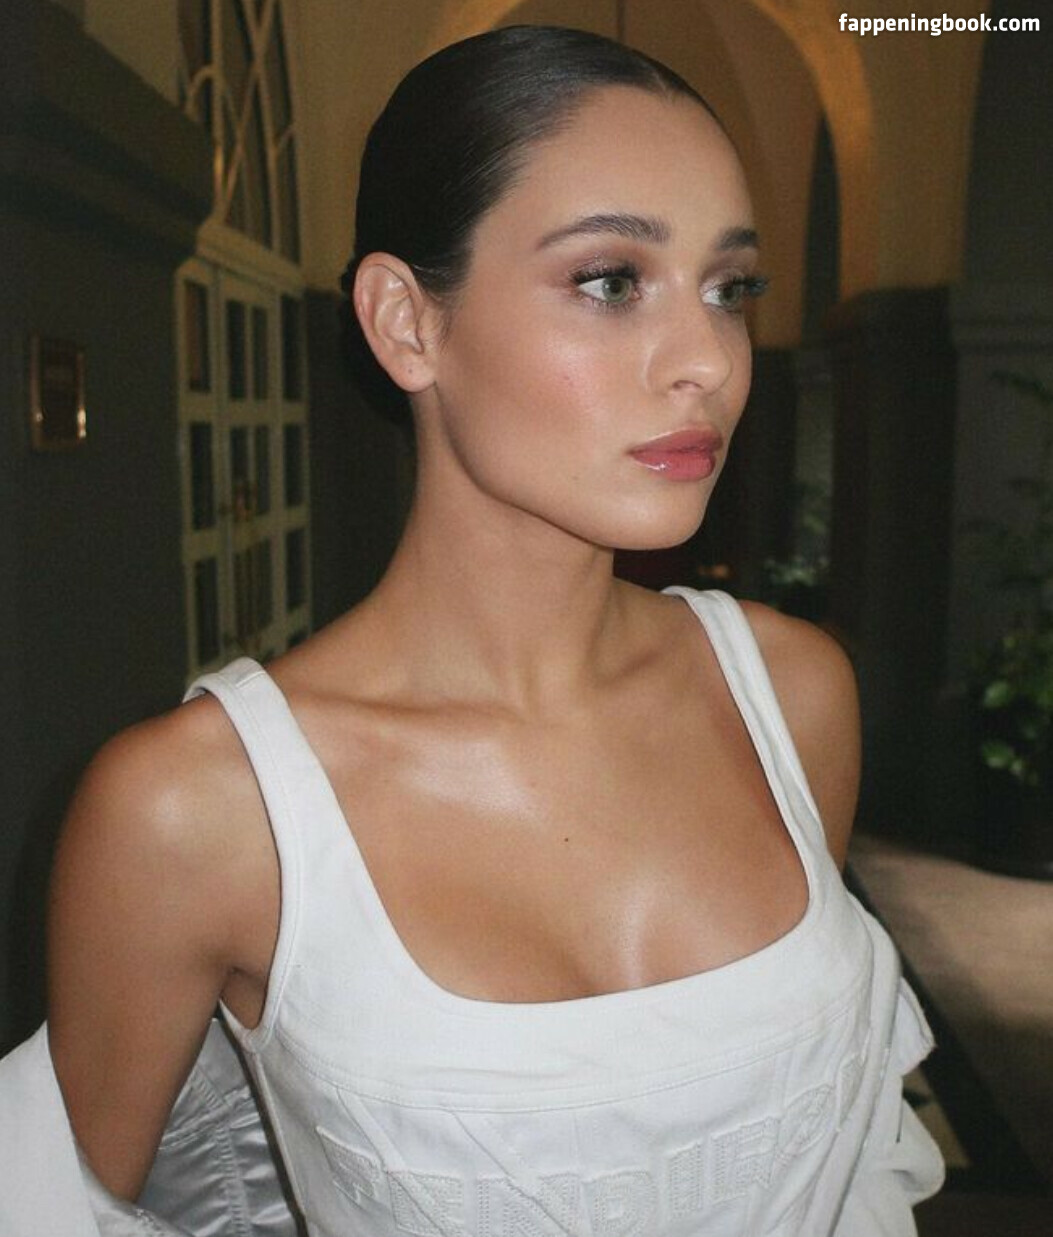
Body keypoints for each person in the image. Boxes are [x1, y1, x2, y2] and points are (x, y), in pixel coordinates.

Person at [0, 24, 943, 1237]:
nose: (708, 360)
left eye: (730, 289)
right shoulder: (199, 809)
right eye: (611, 281)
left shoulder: (793, 692)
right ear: (406, 323)